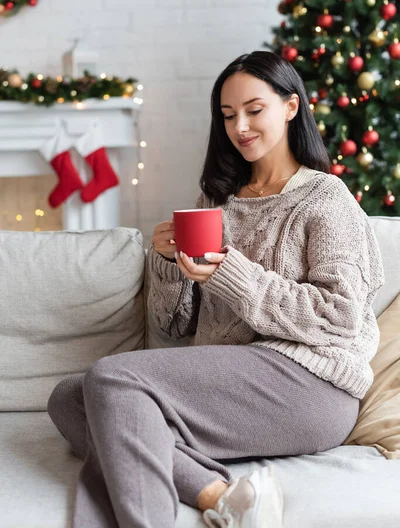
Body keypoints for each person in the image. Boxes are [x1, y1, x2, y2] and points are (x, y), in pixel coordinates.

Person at [47, 51, 385, 528]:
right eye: (228, 116)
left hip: (311, 387)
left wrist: (233, 273)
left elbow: (340, 316)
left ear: (291, 107)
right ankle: (222, 497)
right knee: (68, 397)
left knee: (113, 378)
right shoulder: (216, 200)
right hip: (227, 386)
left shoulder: (325, 198)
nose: (240, 127)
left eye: (253, 110)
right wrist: (167, 265)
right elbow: (175, 325)